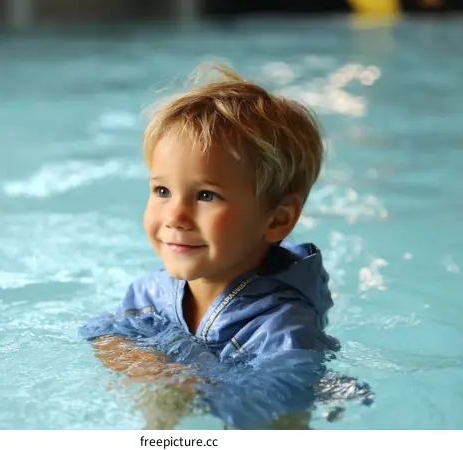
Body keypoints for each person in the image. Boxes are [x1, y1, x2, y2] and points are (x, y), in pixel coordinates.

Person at [80, 62, 342, 429]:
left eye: (206, 195)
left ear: (277, 219)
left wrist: (192, 382)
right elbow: (103, 334)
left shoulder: (282, 327)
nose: (175, 215)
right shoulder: (150, 292)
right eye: (162, 190)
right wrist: (156, 371)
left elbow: (282, 404)